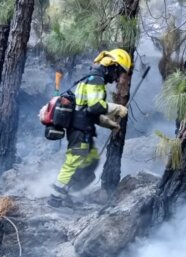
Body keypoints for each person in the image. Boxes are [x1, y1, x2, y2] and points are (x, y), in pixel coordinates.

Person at [49, 49, 132, 207]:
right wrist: (117, 109)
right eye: (118, 72)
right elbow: (95, 106)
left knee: (91, 160)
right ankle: (55, 197)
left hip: (83, 127)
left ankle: (66, 191)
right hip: (80, 130)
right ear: (112, 66)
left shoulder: (92, 77)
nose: (116, 78)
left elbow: (87, 110)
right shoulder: (96, 79)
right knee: (74, 161)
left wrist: (109, 124)